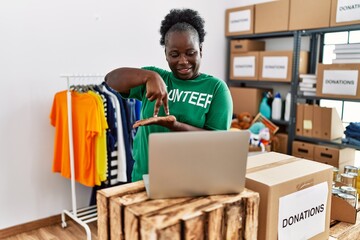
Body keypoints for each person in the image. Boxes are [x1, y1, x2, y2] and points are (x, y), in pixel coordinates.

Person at [105, 8, 233, 182]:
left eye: (190, 53)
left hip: (190, 181)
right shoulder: (154, 79)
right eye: (174, 54)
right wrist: (149, 76)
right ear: (166, 54)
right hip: (144, 179)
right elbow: (111, 79)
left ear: (200, 50)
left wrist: (175, 126)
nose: (183, 61)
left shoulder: (216, 88)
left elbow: (218, 145)